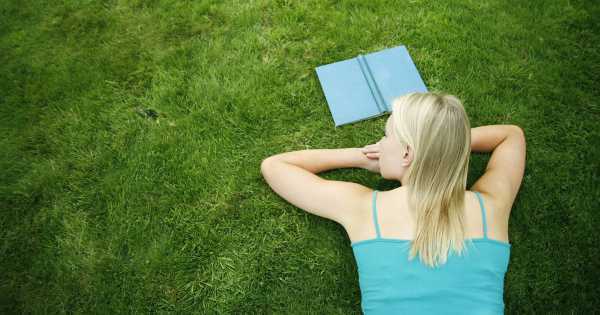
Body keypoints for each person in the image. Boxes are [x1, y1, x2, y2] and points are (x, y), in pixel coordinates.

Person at [261, 92, 526, 314]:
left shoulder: (365, 210)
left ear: (407, 153)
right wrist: (445, 146)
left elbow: (275, 166)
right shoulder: (491, 207)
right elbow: (511, 136)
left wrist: (360, 156)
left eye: (386, 136)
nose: (379, 143)